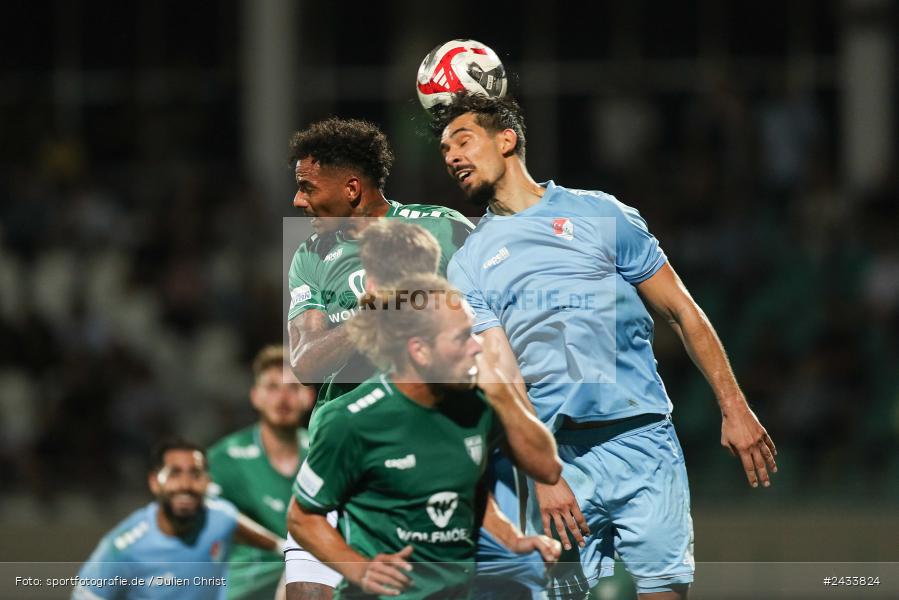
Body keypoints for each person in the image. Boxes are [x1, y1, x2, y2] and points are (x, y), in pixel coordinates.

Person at [432, 92, 778, 600]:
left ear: (507, 139)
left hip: (644, 443)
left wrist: (734, 405)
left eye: (462, 141)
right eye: (444, 151)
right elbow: (503, 378)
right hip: (560, 462)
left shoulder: (601, 214)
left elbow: (683, 310)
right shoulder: (468, 262)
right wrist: (544, 474)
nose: (452, 157)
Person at [284, 117, 474, 599]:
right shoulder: (311, 255)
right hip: (339, 448)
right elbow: (305, 362)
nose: (297, 201)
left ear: (351, 188)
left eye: (307, 188)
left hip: (429, 446)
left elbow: (493, 322)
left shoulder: (444, 231)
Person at [287, 274, 562, 599]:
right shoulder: (350, 421)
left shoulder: (474, 404)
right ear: (420, 351)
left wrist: (511, 539)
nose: (478, 347)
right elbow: (302, 516)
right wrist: (359, 568)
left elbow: (546, 469)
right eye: (462, 338)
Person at [73, 439, 286, 600]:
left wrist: (290, 551)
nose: (185, 484)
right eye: (174, 474)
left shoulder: (221, 517)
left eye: (195, 474)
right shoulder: (122, 549)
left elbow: (247, 531)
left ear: (207, 482)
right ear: (155, 483)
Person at [207, 346, 316, 600]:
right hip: (242, 589)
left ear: (308, 396)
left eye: (292, 387)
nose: (283, 398)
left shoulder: (324, 454)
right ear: (256, 396)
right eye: (272, 387)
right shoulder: (224, 459)